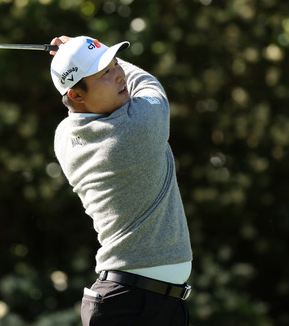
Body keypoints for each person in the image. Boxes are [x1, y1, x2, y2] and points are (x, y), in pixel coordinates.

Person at [49, 35, 193, 325]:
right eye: (105, 72)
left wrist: (78, 59)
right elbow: (148, 83)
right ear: (77, 95)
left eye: (116, 65)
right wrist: (75, 52)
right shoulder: (138, 125)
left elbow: (76, 103)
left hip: (139, 301)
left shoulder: (64, 136)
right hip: (130, 305)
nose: (119, 76)